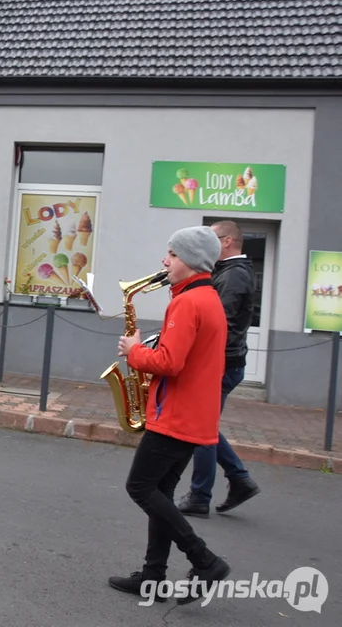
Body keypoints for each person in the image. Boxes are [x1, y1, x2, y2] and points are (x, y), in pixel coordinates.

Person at [109, 226, 232, 606]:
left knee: (140, 488)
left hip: (176, 416)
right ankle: (154, 577)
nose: (165, 261)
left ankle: (204, 560)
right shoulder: (209, 299)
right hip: (194, 417)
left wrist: (133, 351)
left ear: (192, 260)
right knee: (160, 491)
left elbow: (169, 363)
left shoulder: (187, 303)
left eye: (172, 255)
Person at [177, 221, 261, 517]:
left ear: (226, 242)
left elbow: (214, 321)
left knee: (202, 429)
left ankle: (200, 496)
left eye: (210, 239)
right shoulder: (228, 272)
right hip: (225, 361)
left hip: (223, 363)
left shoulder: (234, 275)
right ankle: (239, 480)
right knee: (206, 425)